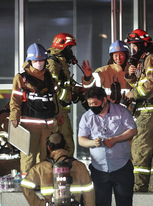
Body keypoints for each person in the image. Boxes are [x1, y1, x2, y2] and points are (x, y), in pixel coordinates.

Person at [78, 86, 137, 206]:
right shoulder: (87, 117)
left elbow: (133, 130)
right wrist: (93, 143)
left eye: (95, 103)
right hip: (99, 169)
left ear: (104, 100)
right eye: (90, 104)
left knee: (124, 202)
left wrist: (116, 139)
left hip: (121, 167)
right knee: (101, 203)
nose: (93, 106)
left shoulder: (121, 112)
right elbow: (81, 140)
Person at [124, 29, 153, 192]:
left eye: (134, 46)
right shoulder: (147, 59)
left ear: (141, 45)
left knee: (140, 148)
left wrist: (132, 94)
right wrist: (131, 76)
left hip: (149, 110)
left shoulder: (150, 59)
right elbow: (143, 84)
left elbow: (151, 84)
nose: (132, 50)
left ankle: (138, 186)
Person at [9, 43, 57, 174]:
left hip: (47, 125)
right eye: (36, 60)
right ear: (29, 61)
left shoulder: (49, 77)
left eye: (41, 60)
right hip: (29, 126)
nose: (39, 63)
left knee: (45, 157)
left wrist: (59, 117)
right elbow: (15, 100)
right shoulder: (21, 78)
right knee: (28, 156)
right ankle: (28, 186)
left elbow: (55, 99)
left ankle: (43, 184)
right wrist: (14, 117)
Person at [21, 132, 95, 206]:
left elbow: (25, 186)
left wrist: (41, 204)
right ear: (65, 145)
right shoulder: (80, 166)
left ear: (49, 148)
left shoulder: (40, 168)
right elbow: (89, 193)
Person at [47, 32, 78, 157]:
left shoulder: (61, 63)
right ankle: (66, 169)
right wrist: (69, 95)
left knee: (66, 142)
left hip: (61, 111)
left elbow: (64, 85)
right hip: (57, 112)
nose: (70, 52)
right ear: (63, 48)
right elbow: (53, 89)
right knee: (66, 144)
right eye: (69, 48)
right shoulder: (53, 64)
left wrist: (76, 91)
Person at [81, 40, 131, 104]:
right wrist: (88, 77)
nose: (118, 58)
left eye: (121, 54)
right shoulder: (102, 72)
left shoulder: (133, 70)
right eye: (115, 55)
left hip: (128, 111)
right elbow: (89, 90)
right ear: (111, 56)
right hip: (109, 111)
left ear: (126, 55)